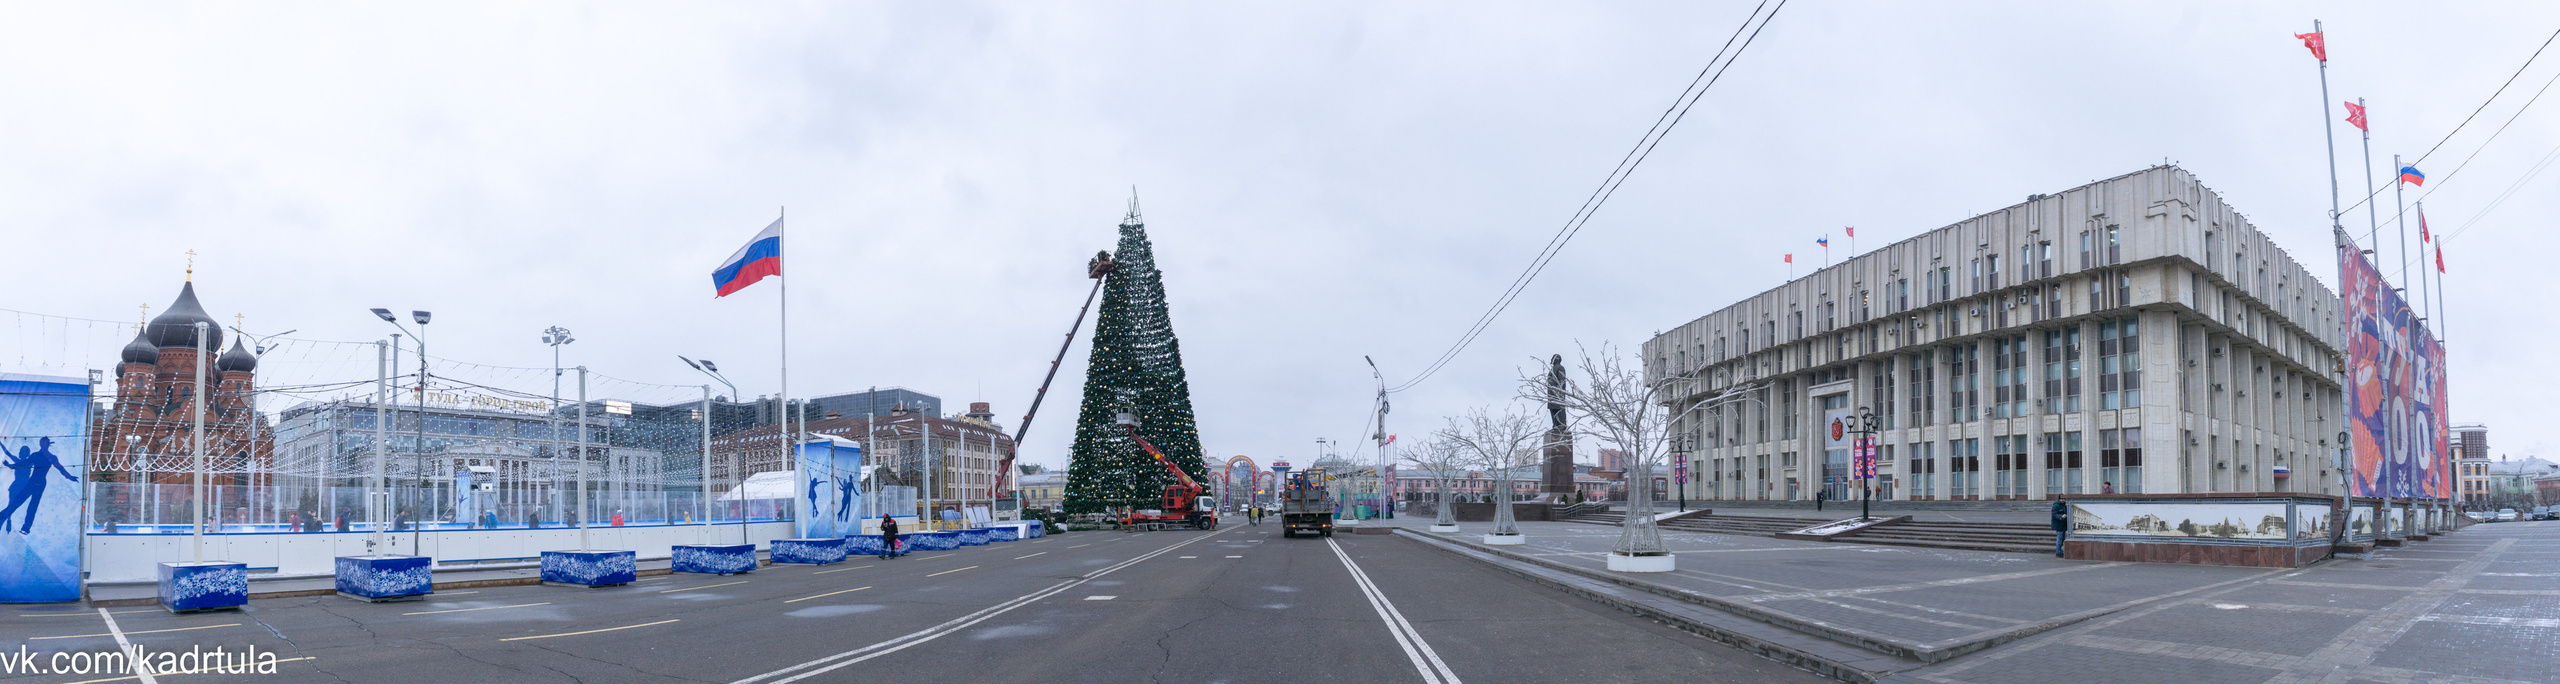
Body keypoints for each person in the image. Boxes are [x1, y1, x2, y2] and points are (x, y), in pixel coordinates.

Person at [2, 437, 80, 534]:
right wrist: (12, 466)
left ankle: (26, 527)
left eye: (44, 443)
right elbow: (24, 463)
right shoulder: (36, 455)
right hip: (32, 482)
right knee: (18, 500)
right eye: (41, 443)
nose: (42, 444)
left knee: (33, 506)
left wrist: (70, 477)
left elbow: (60, 468)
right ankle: (3, 516)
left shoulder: (52, 457)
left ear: (47, 444)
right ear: (40, 444)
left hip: (40, 483)